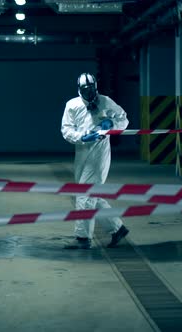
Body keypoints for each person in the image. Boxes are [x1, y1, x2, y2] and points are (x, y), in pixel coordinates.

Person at [60, 72, 130, 249]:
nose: (89, 93)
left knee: (86, 194)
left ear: (96, 88)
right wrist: (82, 137)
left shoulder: (105, 102)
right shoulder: (72, 105)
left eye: (92, 89)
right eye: (86, 89)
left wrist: (111, 125)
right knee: (91, 194)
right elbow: (66, 130)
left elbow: (123, 118)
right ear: (79, 90)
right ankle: (117, 228)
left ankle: (83, 238)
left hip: (100, 152)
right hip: (82, 152)